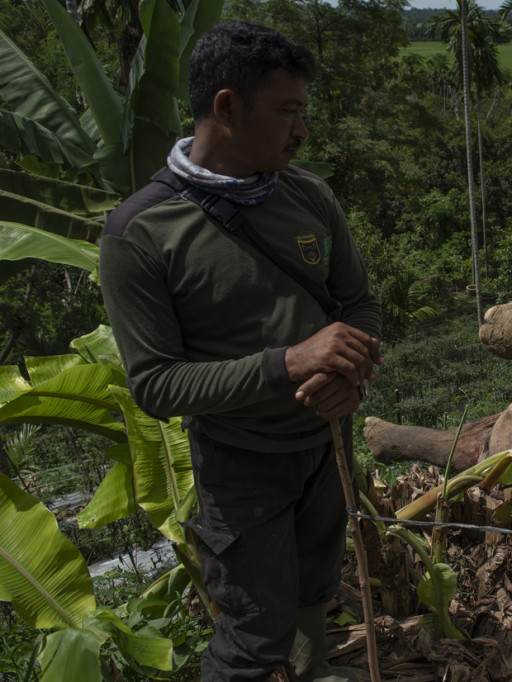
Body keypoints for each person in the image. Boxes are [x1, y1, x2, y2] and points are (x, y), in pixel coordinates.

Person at [99, 21, 381, 682]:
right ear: (227, 107)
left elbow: (359, 304)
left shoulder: (308, 195)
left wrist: (351, 372)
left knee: (315, 589)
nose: (302, 130)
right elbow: (156, 385)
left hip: (326, 442)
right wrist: (290, 363)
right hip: (241, 464)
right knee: (254, 633)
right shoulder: (142, 232)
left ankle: (312, 673)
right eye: (288, 111)